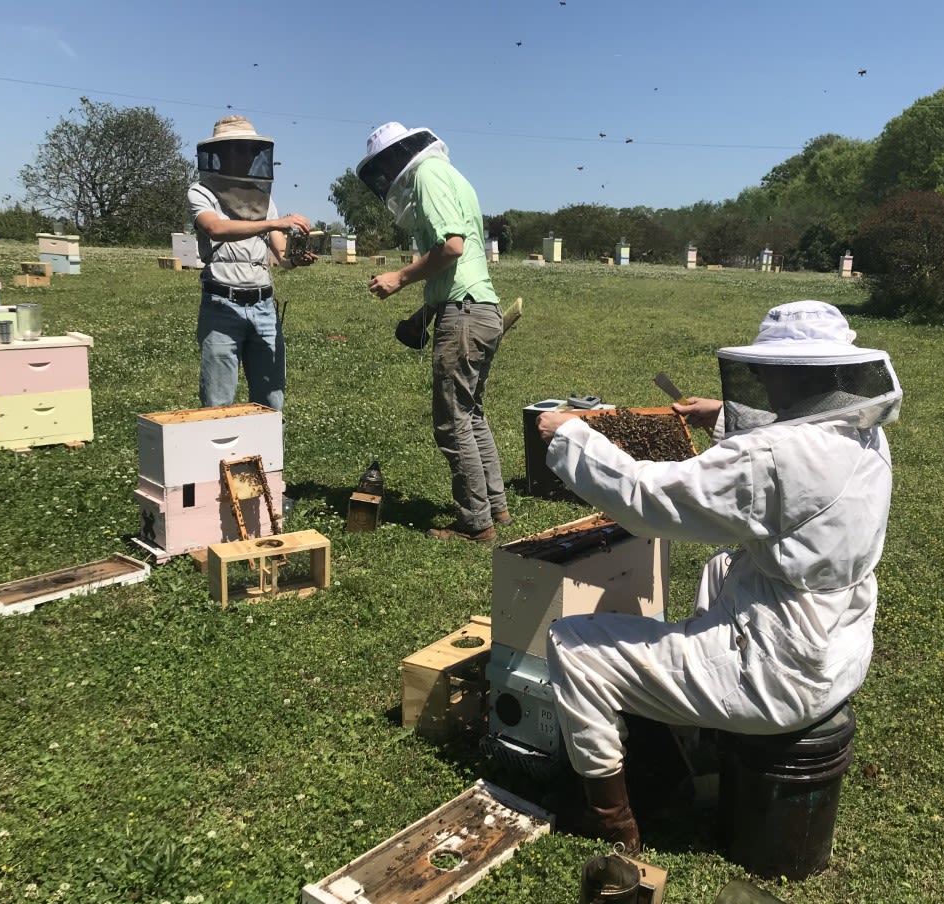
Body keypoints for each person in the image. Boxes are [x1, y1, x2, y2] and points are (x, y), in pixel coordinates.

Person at [535, 300, 903, 852]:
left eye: (763, 372)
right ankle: (704, 749)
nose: (756, 380)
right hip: (839, 643)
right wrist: (725, 419)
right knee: (720, 567)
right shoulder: (866, 434)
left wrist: (572, 436)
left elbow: (648, 498)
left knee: (573, 646)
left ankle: (614, 824)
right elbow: (799, 451)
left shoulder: (775, 457)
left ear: (785, 374)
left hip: (779, 674)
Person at [357, 122, 510, 542]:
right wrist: (423, 313)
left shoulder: (426, 176)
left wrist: (399, 278)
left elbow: (451, 248)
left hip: (464, 316)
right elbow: (460, 264)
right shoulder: (450, 175)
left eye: (385, 166)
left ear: (393, 159)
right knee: (472, 413)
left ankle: (475, 524)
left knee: (452, 423)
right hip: (480, 309)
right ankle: (496, 507)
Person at [190, 115, 316, 410]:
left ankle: (269, 458)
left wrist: (297, 259)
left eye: (249, 149)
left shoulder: (263, 200)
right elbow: (215, 229)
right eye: (238, 148)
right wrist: (274, 222)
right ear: (222, 154)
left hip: (264, 308)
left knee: (272, 401)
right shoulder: (201, 192)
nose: (245, 155)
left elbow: (282, 258)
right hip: (222, 305)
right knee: (217, 403)